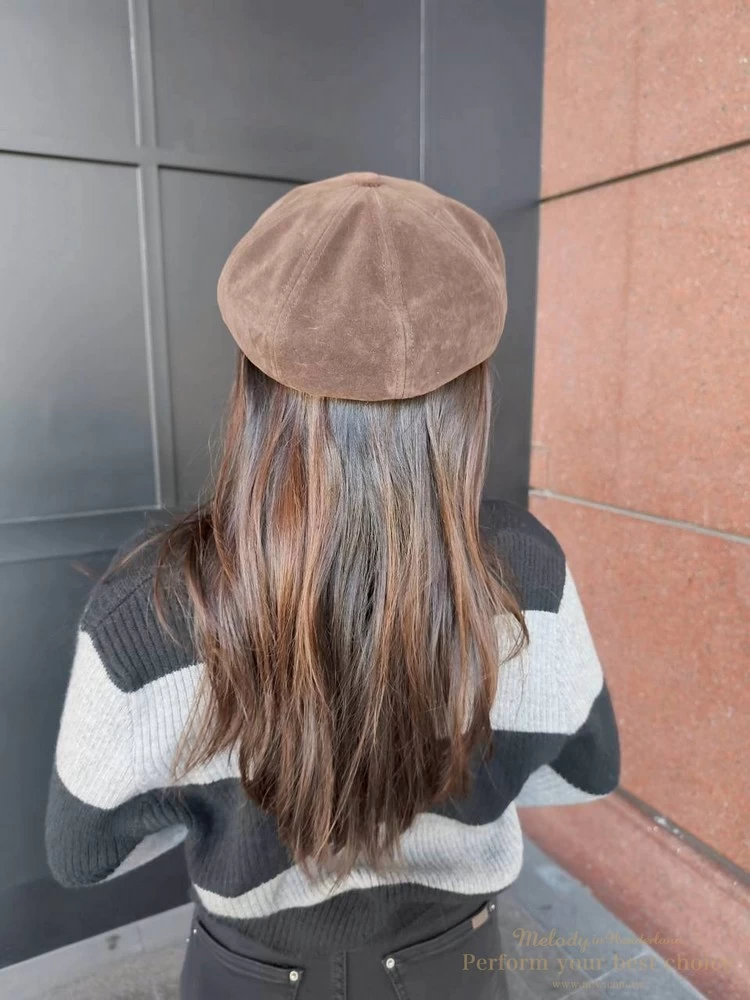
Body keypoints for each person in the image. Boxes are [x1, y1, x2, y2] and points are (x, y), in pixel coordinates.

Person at [45, 171, 620, 1000]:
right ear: (469, 391)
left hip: (244, 975)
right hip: (453, 968)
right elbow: (585, 773)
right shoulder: (528, 573)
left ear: (254, 377)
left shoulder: (153, 607)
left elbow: (83, 855)